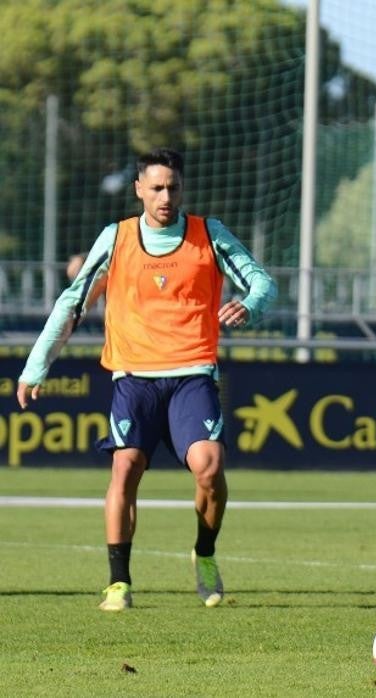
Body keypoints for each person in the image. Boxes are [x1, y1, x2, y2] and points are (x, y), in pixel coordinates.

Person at [16, 148, 276, 612]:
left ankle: (206, 553)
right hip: (134, 377)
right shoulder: (116, 239)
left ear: (183, 188)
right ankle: (118, 582)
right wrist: (37, 366)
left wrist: (250, 305)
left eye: (173, 187)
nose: (165, 196)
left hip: (192, 374)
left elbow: (263, 284)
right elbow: (73, 302)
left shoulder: (208, 235)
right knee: (126, 466)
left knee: (210, 467)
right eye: (156, 188)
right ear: (139, 189)